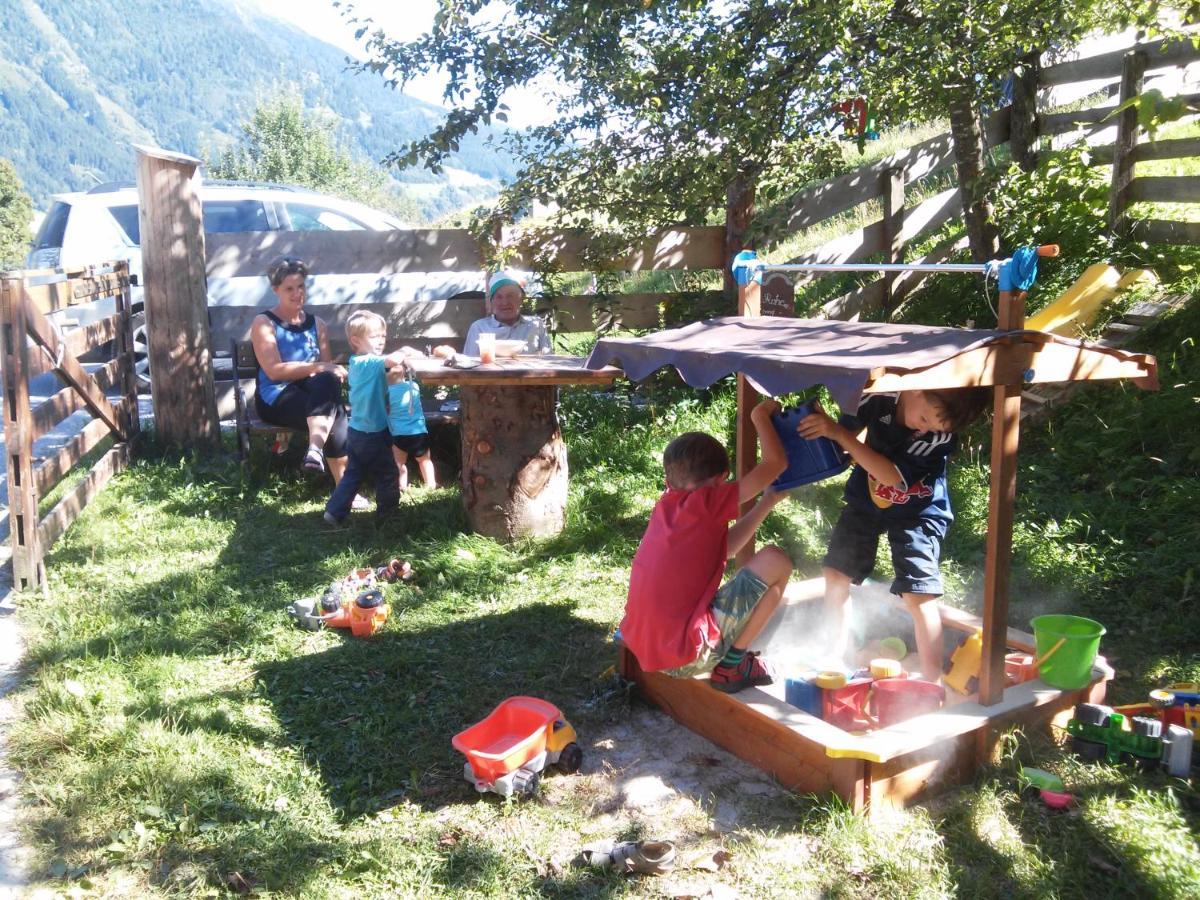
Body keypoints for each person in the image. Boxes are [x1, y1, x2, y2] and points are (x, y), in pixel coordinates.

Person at [798, 387, 990, 682]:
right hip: (867, 497)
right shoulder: (877, 397)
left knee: (918, 593)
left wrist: (840, 435)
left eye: (932, 426)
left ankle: (931, 680)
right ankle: (834, 656)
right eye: (924, 418)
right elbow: (841, 435)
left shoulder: (939, 436)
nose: (924, 429)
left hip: (918, 510)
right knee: (836, 573)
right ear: (916, 389)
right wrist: (820, 426)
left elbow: (892, 477)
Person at [620, 398, 793, 694]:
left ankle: (730, 659)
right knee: (778, 561)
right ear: (720, 480)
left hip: (645, 647)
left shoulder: (667, 507)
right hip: (685, 656)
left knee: (771, 577)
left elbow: (724, 550)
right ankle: (732, 666)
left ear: (669, 479)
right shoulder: (706, 500)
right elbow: (775, 464)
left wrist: (767, 502)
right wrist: (759, 414)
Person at [251, 257, 350, 480]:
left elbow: (327, 371)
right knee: (336, 415)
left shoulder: (318, 324)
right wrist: (318, 366)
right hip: (275, 397)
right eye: (289, 289)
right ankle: (345, 489)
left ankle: (314, 451)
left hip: (312, 393)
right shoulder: (264, 322)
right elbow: (274, 371)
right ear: (276, 290)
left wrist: (330, 370)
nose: (298, 293)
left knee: (329, 381)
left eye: (301, 286)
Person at [323, 312, 409, 525]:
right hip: (374, 432)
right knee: (387, 472)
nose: (380, 341)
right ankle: (388, 514)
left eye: (382, 336)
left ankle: (334, 511)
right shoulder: (367, 362)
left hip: (358, 430)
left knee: (354, 473)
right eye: (374, 337)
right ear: (356, 341)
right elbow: (391, 360)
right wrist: (406, 351)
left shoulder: (357, 362)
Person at [462, 271, 552, 356]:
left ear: (521, 299)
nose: (505, 303)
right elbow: (469, 364)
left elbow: (549, 362)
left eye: (510, 296)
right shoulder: (479, 328)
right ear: (492, 301)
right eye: (499, 297)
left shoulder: (535, 325)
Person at [388, 360, 437, 490]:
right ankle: (431, 484)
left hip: (398, 433)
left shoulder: (385, 393)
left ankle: (401, 486)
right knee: (425, 460)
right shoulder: (413, 386)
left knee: (399, 463)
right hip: (418, 432)